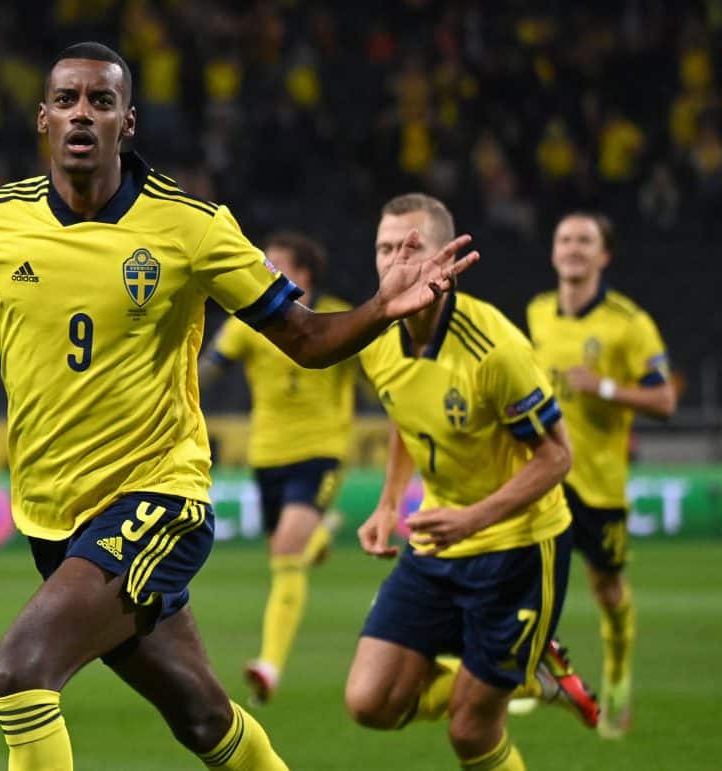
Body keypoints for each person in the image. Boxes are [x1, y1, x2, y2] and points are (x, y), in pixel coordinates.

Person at [0, 43, 478, 771]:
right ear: (42, 118)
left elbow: (308, 337)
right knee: (202, 717)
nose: (82, 115)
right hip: (53, 518)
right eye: (67, 100)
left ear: (128, 123)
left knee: (21, 670)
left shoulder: (192, 226)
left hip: (160, 496)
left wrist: (383, 306)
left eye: (102, 102)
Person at [345, 193, 598, 771]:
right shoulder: (376, 337)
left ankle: (513, 677)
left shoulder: (495, 349)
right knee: (370, 703)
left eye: (412, 248)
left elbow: (558, 458)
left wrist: (473, 518)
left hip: (518, 549)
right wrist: (388, 504)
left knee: (471, 729)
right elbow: (404, 414)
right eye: (385, 248)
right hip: (440, 541)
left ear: (447, 259)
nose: (396, 261)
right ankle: (525, 674)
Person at [524, 212, 676, 738]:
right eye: (564, 238)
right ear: (553, 251)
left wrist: (606, 389)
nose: (573, 248)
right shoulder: (538, 312)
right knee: (522, 579)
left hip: (600, 484)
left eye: (585, 240)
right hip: (547, 473)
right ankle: (529, 677)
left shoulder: (628, 322)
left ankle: (616, 681)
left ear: (603, 255)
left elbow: (665, 398)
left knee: (607, 589)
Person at [199, 230, 357, 705]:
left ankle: (269, 665)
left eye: (273, 264)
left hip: (321, 451)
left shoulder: (339, 318)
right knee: (286, 554)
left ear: (302, 275)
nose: (262, 270)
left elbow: (382, 375)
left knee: (287, 550)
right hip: (266, 455)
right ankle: (321, 534)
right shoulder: (250, 318)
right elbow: (211, 367)